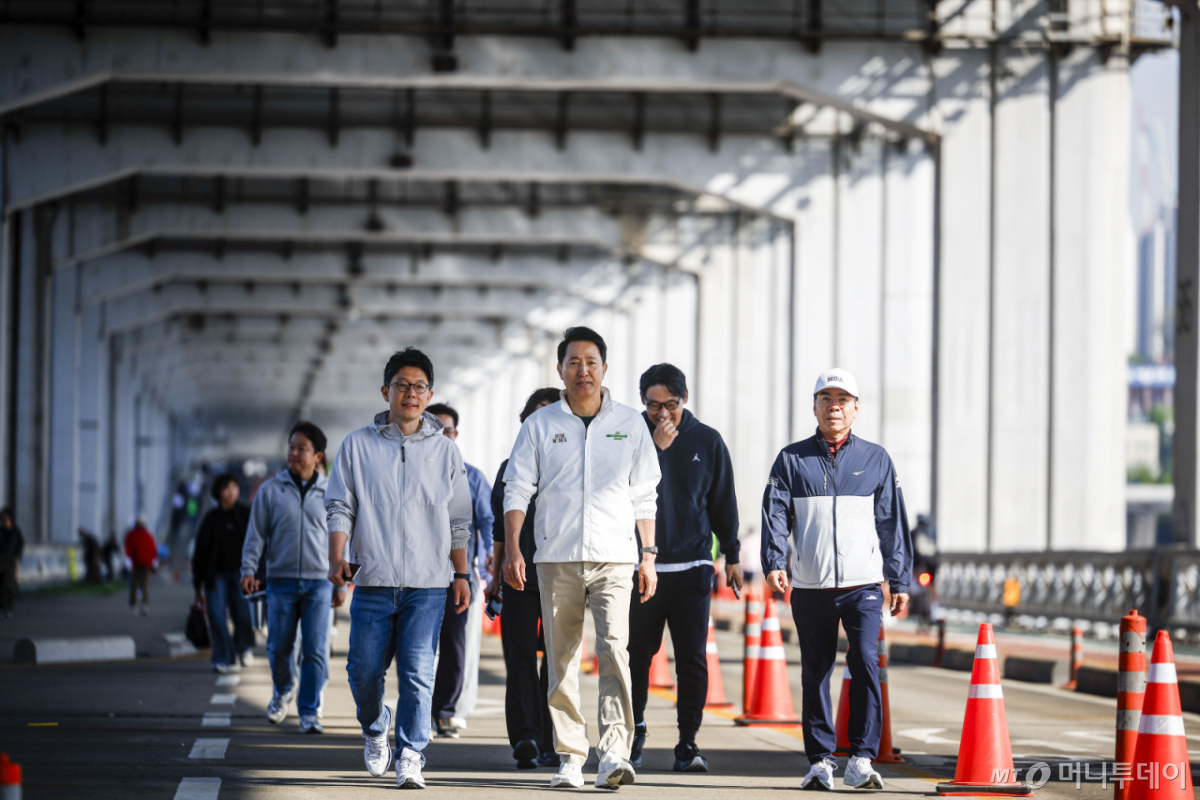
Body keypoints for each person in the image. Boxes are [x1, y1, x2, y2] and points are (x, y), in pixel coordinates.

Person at [503, 327, 661, 791]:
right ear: (560, 370)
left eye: (591, 361)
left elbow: (645, 494)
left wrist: (647, 556)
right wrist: (513, 547)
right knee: (562, 658)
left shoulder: (631, 423)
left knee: (615, 652)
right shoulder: (540, 424)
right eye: (574, 362)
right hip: (556, 558)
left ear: (605, 369)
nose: (583, 370)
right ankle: (571, 756)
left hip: (615, 559)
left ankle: (614, 752)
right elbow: (517, 487)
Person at [326, 348, 473, 790]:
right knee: (363, 671)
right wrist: (337, 556)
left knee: (417, 672)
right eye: (402, 385)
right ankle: (375, 726)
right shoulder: (357, 445)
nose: (411, 393)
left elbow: (459, 520)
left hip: (428, 584)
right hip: (372, 579)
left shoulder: (445, 452)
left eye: (419, 387)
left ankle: (411, 753)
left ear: (430, 394)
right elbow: (339, 506)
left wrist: (461, 574)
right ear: (385, 390)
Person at [762, 368, 912, 791]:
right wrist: (774, 560)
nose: (834, 406)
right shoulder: (791, 459)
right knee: (816, 670)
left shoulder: (876, 458)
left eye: (842, 399)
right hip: (810, 586)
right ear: (814, 406)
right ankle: (821, 760)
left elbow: (891, 523)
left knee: (865, 661)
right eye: (826, 398)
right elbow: (774, 512)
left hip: (862, 586)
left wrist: (898, 581)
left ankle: (862, 758)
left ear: (856, 409)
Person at [628, 363, 741, 773]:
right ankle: (634, 732)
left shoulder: (707, 441)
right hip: (643, 568)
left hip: (693, 566)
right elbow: (620, 489)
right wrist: (653, 447)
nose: (662, 414)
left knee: (692, 659)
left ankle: (687, 743)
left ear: (685, 399)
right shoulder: (631, 436)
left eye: (670, 405)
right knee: (637, 655)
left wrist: (732, 554)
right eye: (653, 405)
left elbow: (722, 502)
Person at [241, 422, 342, 734]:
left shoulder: (332, 492)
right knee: (279, 646)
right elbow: (256, 534)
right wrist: (248, 568)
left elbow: (343, 539)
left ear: (318, 456)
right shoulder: (271, 490)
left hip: (319, 583)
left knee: (315, 648)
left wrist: (342, 581)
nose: (294, 453)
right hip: (280, 581)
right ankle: (283, 690)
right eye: (291, 447)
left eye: (302, 448)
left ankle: (309, 711)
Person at [485, 387, 561, 769]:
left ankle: (552, 739)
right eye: (538, 414)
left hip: (560, 576)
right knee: (519, 658)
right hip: (517, 576)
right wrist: (497, 572)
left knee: (556, 659)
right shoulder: (508, 467)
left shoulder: (570, 468)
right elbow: (501, 527)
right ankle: (526, 737)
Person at [426, 403, 494, 739]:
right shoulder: (415, 471)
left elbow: (486, 521)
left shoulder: (474, 476)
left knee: (454, 646)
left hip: (460, 576)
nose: (444, 436)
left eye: (449, 430)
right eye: (436, 429)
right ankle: (422, 709)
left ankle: (445, 711)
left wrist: (482, 566)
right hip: (421, 575)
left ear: (456, 435)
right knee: (419, 647)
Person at [194, 473, 255, 674]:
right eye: (227, 488)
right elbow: (200, 550)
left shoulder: (246, 514)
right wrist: (197, 580)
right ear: (219, 493)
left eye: (235, 487)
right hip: (216, 576)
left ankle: (243, 648)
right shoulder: (211, 518)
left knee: (243, 615)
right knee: (217, 617)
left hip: (242, 574)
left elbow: (258, 543)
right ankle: (222, 657)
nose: (231, 491)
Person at [124, 515, 158, 616]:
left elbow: (128, 550)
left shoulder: (131, 535)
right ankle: (145, 605)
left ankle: (133, 605)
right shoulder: (148, 535)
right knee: (145, 586)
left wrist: (129, 561)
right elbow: (153, 551)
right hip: (146, 565)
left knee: (134, 585)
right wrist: (153, 564)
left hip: (135, 564)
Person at [0, 508, 24, 618]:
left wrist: (18, 556)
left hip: (10, 560)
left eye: (6, 517)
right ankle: (1, 608)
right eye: (3, 518)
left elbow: (20, 544)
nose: (5, 520)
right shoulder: (0, 530)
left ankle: (8, 608)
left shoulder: (15, 531)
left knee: (9, 585)